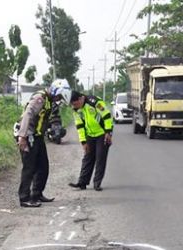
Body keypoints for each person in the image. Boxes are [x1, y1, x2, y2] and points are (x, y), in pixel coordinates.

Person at [15, 79, 71, 207]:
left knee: (43, 167)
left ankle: (37, 194)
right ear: (55, 91)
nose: (59, 99)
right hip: (28, 135)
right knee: (29, 167)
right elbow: (27, 115)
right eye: (59, 96)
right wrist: (22, 136)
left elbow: (45, 119)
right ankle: (24, 198)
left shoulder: (49, 101)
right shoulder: (40, 98)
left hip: (38, 136)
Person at [68, 91, 113, 191]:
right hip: (90, 135)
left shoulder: (95, 102)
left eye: (75, 104)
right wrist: (83, 142)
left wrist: (108, 132)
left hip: (102, 133)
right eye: (72, 105)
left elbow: (106, 115)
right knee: (87, 158)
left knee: (100, 158)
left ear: (81, 99)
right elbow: (79, 126)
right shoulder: (76, 109)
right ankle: (82, 182)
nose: (75, 106)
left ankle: (97, 183)